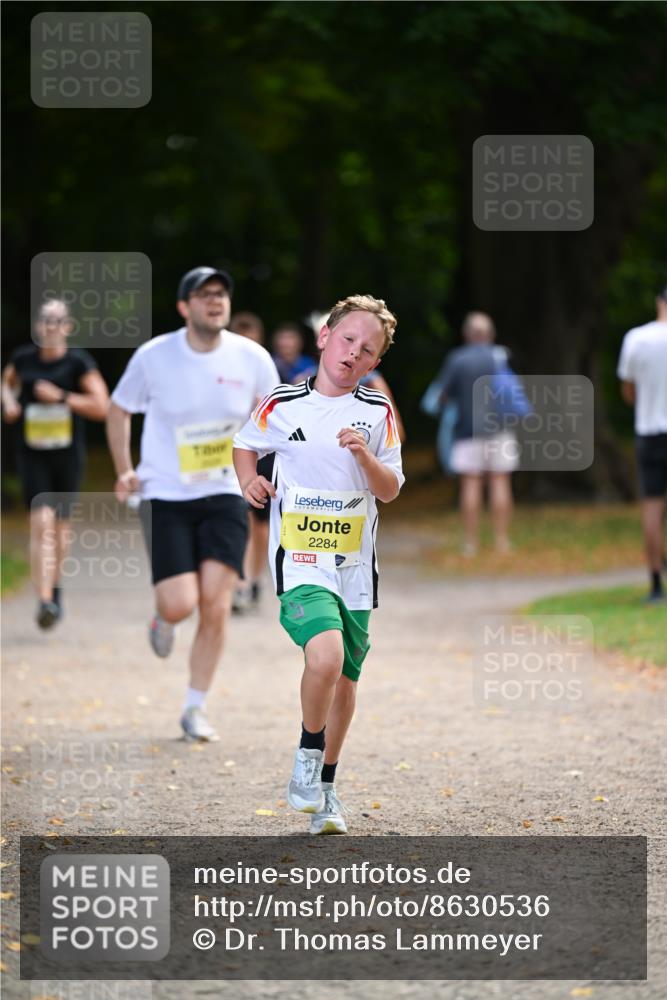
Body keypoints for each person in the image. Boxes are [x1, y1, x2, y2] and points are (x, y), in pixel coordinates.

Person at [233, 294, 404, 834]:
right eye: (348, 339)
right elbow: (244, 444)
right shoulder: (280, 403)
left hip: (355, 567)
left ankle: (326, 788)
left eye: (367, 350)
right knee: (325, 658)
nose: (354, 353)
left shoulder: (377, 412)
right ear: (324, 337)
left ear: (375, 363)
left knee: (346, 680)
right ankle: (307, 758)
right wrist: (249, 479)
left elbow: (392, 489)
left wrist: (364, 456)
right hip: (302, 559)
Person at [106, 267, 280, 741]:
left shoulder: (253, 357)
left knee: (216, 604)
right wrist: (125, 467)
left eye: (222, 293)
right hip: (166, 493)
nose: (215, 301)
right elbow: (119, 408)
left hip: (227, 492)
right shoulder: (154, 356)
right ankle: (163, 617)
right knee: (182, 603)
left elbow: (275, 419)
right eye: (205, 295)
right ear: (184, 307)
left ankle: (194, 707)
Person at [1, 298, 109, 628]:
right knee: (41, 524)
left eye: (58, 320)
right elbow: (7, 383)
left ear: (68, 327)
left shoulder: (78, 362)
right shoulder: (23, 358)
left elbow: (101, 406)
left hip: (66, 456)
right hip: (32, 453)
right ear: (37, 326)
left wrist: (62, 397)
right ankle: (44, 599)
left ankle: (56, 588)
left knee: (61, 530)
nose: (51, 326)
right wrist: (8, 402)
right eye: (46, 320)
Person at [437, 311, 519, 556]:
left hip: (467, 430)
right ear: (491, 334)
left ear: (466, 335)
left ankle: (470, 544)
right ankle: (502, 542)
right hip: (500, 429)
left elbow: (442, 395)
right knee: (500, 482)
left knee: (471, 483)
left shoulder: (457, 359)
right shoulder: (501, 356)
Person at [617, 286, 667, 603]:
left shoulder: (636, 338)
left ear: (658, 301)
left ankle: (655, 585)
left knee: (651, 507)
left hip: (648, 430)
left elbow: (628, 390)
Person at [229, 310, 272, 611]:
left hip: (266, 455)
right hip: (231, 454)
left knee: (261, 529)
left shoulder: (264, 368)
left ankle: (255, 578)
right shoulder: (221, 369)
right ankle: (240, 582)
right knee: (240, 521)